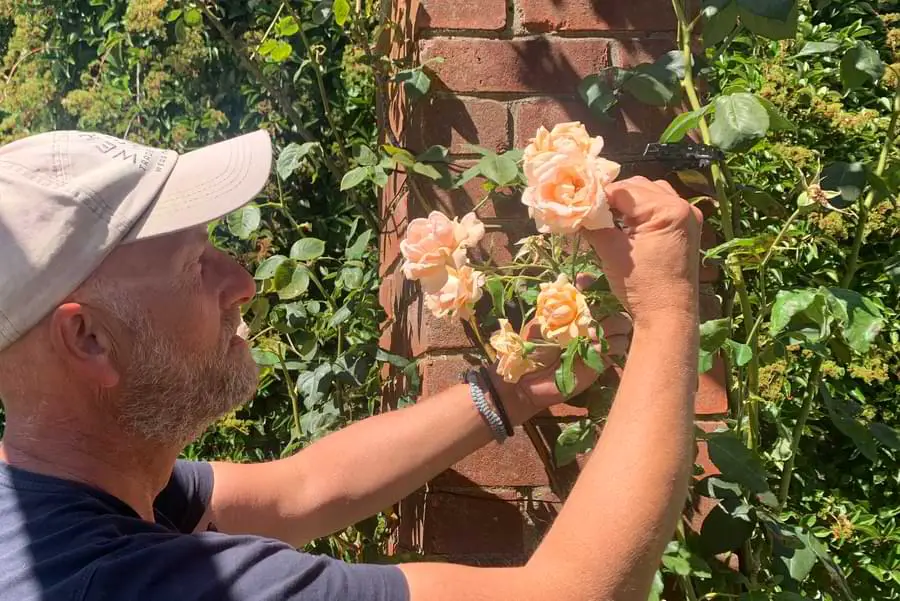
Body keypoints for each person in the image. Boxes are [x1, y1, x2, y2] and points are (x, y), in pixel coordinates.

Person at [0, 129, 701, 601]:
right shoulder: (137, 583)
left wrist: (516, 387)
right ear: (88, 338)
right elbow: (570, 591)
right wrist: (665, 312)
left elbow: (304, 488)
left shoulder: (50, 495)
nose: (241, 279)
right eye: (195, 265)